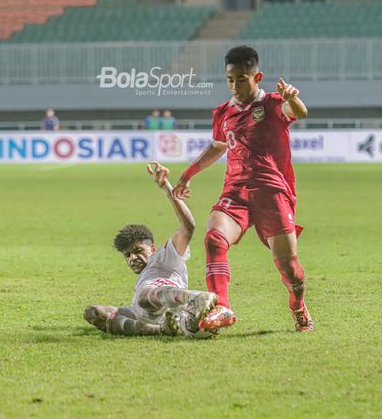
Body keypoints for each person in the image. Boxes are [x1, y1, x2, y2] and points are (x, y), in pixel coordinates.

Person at [172, 45, 314, 332]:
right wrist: (187, 175)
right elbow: (217, 146)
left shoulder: (273, 104)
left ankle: (298, 306)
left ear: (257, 77)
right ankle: (223, 306)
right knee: (214, 239)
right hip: (235, 191)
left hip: (272, 192)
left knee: (290, 269)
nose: (235, 86)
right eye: (230, 80)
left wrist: (293, 98)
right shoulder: (223, 113)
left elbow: (299, 112)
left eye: (241, 79)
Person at [83, 162, 219, 336]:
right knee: (93, 312)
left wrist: (167, 189)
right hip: (145, 313)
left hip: (169, 305)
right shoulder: (145, 274)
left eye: (138, 250)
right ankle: (161, 330)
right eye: (128, 255)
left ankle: (195, 298)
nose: (132, 258)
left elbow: (188, 227)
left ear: (153, 248)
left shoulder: (164, 258)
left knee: (144, 297)